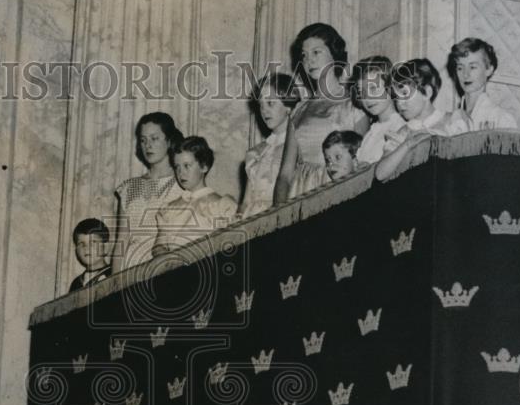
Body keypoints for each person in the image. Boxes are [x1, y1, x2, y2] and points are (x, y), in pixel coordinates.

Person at [273, 23, 369, 204]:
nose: (309, 60)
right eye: (304, 55)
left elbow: (361, 165)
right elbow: (285, 175)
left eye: (316, 52)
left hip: (337, 194)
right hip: (299, 195)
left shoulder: (354, 105)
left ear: (334, 55)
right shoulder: (299, 110)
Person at [375, 58, 470, 181]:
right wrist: (408, 144)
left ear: (427, 92)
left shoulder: (453, 120)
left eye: (404, 94)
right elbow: (380, 174)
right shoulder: (403, 132)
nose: (399, 103)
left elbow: (465, 165)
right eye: (396, 98)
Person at [112, 112, 183, 272]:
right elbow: (121, 242)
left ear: (169, 140)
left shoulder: (183, 184)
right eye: (143, 140)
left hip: (165, 268)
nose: (148, 145)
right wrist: (113, 284)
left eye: (154, 138)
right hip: (130, 269)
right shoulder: (128, 188)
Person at [152, 136, 237, 257]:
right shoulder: (170, 209)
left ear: (204, 166)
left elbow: (229, 247)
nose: (181, 173)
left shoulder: (222, 205)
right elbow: (158, 246)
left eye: (187, 165)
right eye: (177, 167)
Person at [237, 72, 299, 218]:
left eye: (270, 103)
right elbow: (246, 202)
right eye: (261, 105)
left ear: (288, 106)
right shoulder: (256, 153)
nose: (264, 110)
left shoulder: (297, 148)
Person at [447, 37, 518, 129]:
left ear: (488, 70)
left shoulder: (501, 119)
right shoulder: (451, 121)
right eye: (460, 68)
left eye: (472, 67)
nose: (465, 74)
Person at [350, 55, 407, 166]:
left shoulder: (400, 129)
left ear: (390, 87)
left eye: (373, 88)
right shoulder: (371, 132)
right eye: (361, 92)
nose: (367, 97)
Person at [68, 217, 112, 292]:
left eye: (93, 242)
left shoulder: (112, 275)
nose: (86, 248)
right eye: (81, 243)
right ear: (76, 250)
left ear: (106, 247)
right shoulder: (76, 283)